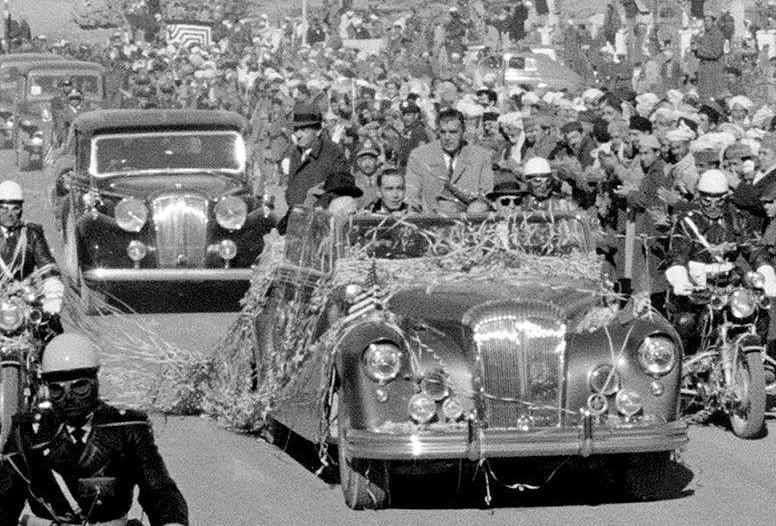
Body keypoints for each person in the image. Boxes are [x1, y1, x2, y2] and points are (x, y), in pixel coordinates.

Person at [0, 333, 189, 526]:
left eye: (80, 387)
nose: (69, 397)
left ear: (95, 382)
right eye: (57, 389)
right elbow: (5, 499)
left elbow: (160, 492)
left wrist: (172, 522)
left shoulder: (126, 429)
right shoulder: (29, 433)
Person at [665, 170, 776, 351]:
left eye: (719, 200)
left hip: (730, 282)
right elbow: (678, 253)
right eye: (708, 200)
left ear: (727, 197)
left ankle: (759, 359)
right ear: (700, 197)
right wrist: (680, 278)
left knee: (759, 312)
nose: (714, 206)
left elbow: (754, 248)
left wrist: (765, 271)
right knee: (686, 322)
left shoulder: (738, 218)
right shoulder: (687, 221)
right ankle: (684, 366)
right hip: (697, 286)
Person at [405, 108, 494, 213]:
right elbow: (412, 198)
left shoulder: (480, 156)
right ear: (437, 131)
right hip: (430, 222)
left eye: (453, 132)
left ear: (463, 131)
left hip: (468, 223)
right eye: (443, 132)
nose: (447, 137)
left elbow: (486, 196)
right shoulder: (419, 156)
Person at [281, 103, 354, 228]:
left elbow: (339, 191)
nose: (298, 135)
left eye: (303, 130)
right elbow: (292, 187)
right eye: (296, 130)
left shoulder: (334, 152)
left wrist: (311, 207)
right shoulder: (296, 152)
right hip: (297, 220)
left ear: (319, 130)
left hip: (321, 223)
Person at [0, 180, 63, 323]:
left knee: (50, 328)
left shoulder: (31, 233)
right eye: (4, 209)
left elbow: (47, 265)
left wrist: (53, 293)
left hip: (24, 299)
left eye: (15, 209)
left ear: (21, 209)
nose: (10, 214)